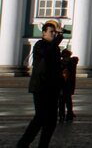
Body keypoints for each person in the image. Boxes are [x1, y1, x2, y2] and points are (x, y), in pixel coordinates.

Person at [17, 20, 63, 148]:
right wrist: (56, 42)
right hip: (41, 87)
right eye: (51, 32)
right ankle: (23, 143)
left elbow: (55, 66)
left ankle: (43, 145)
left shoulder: (55, 48)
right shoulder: (40, 45)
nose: (53, 34)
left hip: (53, 88)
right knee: (40, 117)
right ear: (44, 33)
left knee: (52, 120)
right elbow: (45, 55)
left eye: (54, 32)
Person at [58, 47, 77, 124]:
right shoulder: (72, 63)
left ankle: (62, 115)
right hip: (69, 84)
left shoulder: (62, 63)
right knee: (68, 101)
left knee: (62, 101)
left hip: (62, 84)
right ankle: (69, 114)